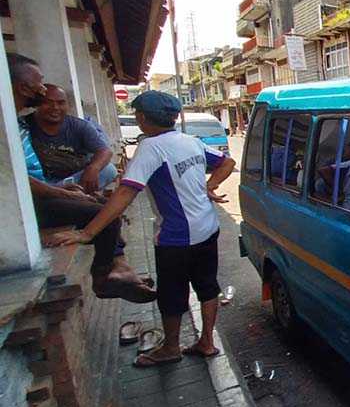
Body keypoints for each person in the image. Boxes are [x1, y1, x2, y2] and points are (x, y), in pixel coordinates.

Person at [48, 91, 237, 367]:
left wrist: (87, 232)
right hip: (208, 227)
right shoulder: (191, 142)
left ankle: (171, 348)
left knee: (172, 294)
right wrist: (209, 187)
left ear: (143, 118)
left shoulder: (150, 148)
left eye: (137, 114)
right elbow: (227, 163)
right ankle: (207, 342)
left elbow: (125, 194)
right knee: (207, 285)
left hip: (176, 237)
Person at [7, 54, 154, 303]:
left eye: (60, 102)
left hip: (50, 188)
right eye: (40, 84)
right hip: (20, 207)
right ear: (23, 87)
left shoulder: (28, 123)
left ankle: (113, 268)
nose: (44, 92)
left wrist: (82, 178)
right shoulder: (18, 123)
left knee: (104, 204)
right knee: (104, 216)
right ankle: (106, 274)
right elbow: (16, 181)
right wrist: (63, 194)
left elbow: (104, 152)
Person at [27, 84, 118, 192]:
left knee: (109, 170)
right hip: (39, 183)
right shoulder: (24, 126)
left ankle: (64, 193)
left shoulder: (79, 125)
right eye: (48, 102)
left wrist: (93, 168)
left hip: (73, 179)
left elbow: (105, 151)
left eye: (61, 103)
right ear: (36, 104)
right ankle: (62, 194)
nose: (55, 108)